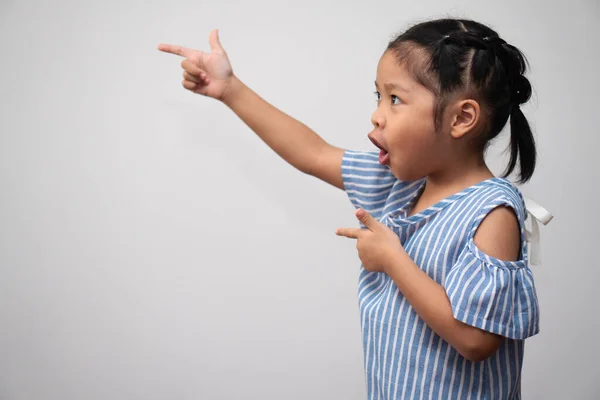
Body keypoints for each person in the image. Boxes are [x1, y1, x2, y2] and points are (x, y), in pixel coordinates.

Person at [158, 18, 551, 400]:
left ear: (461, 118)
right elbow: (313, 153)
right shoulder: (401, 184)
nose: (377, 113)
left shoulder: (492, 211)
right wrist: (229, 89)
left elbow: (476, 340)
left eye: (395, 99)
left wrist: (393, 260)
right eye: (378, 96)